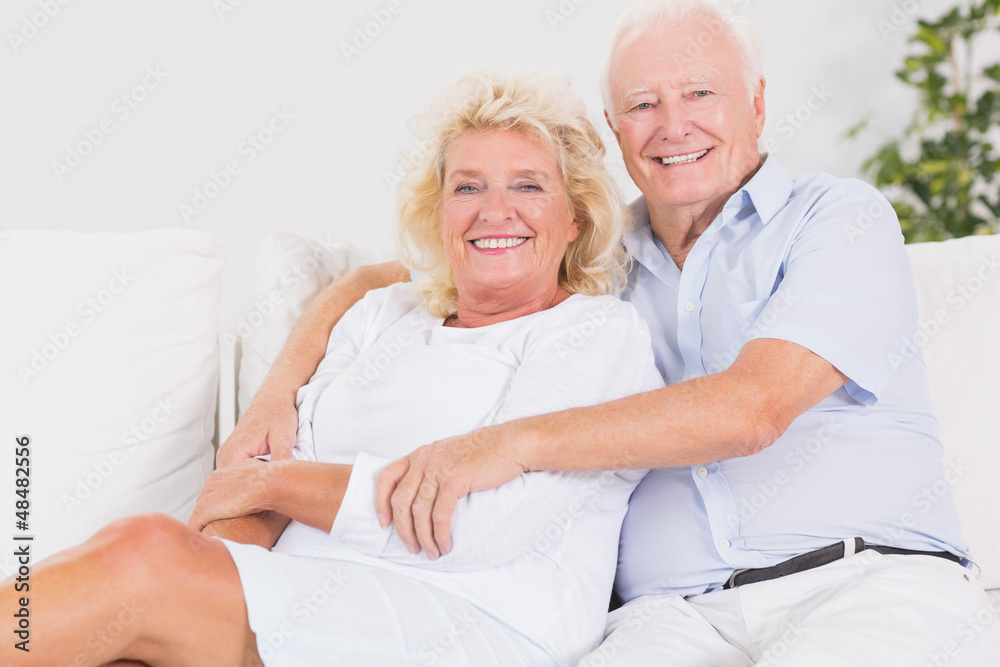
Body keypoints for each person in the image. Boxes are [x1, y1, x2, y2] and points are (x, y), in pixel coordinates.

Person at [219, 1, 1000, 665]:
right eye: (642, 105)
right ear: (614, 130)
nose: (672, 126)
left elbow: (753, 410)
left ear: (758, 104)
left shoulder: (839, 220)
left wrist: (511, 441)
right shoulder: (592, 255)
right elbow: (399, 274)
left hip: (862, 578)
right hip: (667, 615)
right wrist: (275, 393)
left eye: (700, 93)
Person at [0, 66, 664, 666]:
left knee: (142, 554)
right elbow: (257, 485)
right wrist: (208, 558)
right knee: (117, 631)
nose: (495, 209)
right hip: (291, 601)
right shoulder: (385, 314)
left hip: (469, 618)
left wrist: (269, 490)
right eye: (468, 185)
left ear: (575, 216)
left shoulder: (596, 332)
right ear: (439, 213)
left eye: (528, 184)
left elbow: (470, 526)